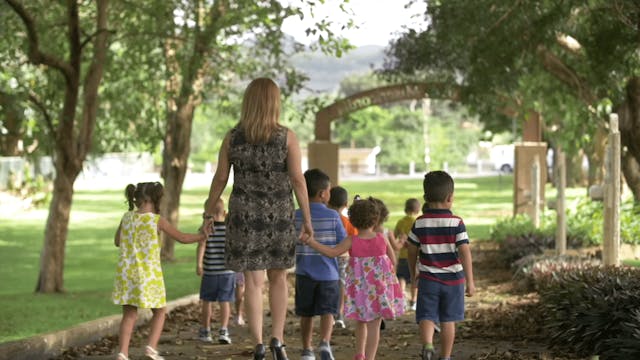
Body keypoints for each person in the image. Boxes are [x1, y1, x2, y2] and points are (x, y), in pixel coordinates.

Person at [202, 77, 313, 360]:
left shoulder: (232, 137)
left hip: (244, 218)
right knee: (278, 278)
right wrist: (307, 219)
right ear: (274, 102)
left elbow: (220, 178)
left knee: (253, 281)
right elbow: (298, 180)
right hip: (279, 216)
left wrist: (208, 210)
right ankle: (278, 338)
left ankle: (259, 343)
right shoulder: (287, 137)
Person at [302, 197, 404, 360]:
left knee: (361, 321)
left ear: (353, 220)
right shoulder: (381, 238)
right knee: (374, 326)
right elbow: (393, 261)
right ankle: (369, 357)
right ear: (376, 219)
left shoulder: (352, 240)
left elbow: (332, 252)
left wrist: (312, 242)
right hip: (378, 290)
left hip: (360, 290)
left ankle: (360, 354)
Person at [112, 182, 204, 360]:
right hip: (149, 274)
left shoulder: (126, 217)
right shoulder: (156, 220)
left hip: (127, 274)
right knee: (160, 311)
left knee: (129, 314)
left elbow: (117, 241)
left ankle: (122, 353)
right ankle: (150, 349)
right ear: (150, 200)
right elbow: (183, 238)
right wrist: (202, 236)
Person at [407, 171, 476, 360]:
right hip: (453, 280)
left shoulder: (419, 223)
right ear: (450, 197)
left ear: (425, 198)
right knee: (448, 320)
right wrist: (470, 281)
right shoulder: (456, 223)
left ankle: (428, 346)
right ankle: (445, 356)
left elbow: (411, 250)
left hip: (428, 279)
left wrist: (414, 274)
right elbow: (464, 252)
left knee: (427, 316)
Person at [294, 169, 346, 360]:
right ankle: (325, 342)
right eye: (329, 190)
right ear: (323, 193)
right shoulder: (333, 216)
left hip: (303, 273)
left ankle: (307, 349)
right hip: (329, 275)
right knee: (328, 312)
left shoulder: (296, 215)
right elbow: (342, 243)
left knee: (306, 314)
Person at [196, 198, 234, 344]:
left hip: (210, 271)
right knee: (225, 302)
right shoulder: (230, 229)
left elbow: (201, 246)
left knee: (207, 302)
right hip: (227, 272)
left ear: (206, 213)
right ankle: (223, 330)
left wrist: (199, 264)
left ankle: (205, 330)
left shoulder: (205, 228)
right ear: (224, 212)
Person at [327, 186, 357, 329]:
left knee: (328, 285)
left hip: (325, 256)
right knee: (341, 285)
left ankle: (329, 315)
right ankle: (339, 315)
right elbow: (355, 241)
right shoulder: (348, 222)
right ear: (346, 205)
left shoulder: (325, 219)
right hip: (343, 258)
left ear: (327, 201)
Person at [368, 196, 398, 331]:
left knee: (369, 296)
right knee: (381, 296)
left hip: (367, 272)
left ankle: (372, 317)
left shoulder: (364, 235)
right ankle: (379, 317)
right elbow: (393, 258)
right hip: (382, 273)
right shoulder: (384, 233)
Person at [393, 198, 421, 312]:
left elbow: (395, 235)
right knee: (415, 278)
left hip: (403, 256)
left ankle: (401, 298)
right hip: (415, 255)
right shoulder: (417, 222)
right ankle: (413, 301)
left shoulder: (401, 222)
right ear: (418, 209)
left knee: (402, 277)